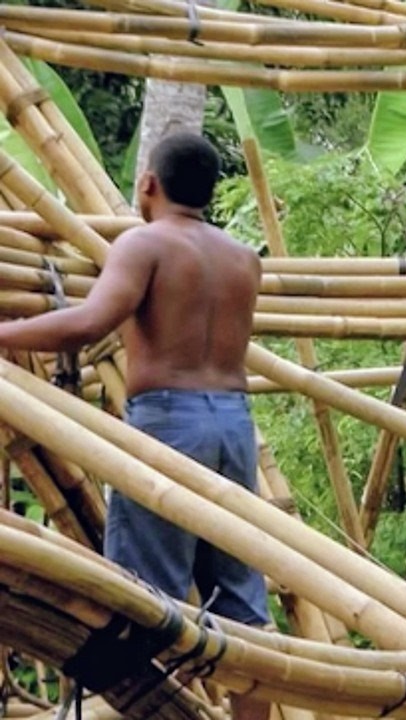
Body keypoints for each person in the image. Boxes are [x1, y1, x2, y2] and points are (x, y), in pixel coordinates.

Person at [0, 133, 270, 720]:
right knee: (244, 605)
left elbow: (90, 322)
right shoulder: (242, 258)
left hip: (169, 425)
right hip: (233, 424)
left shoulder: (144, 244)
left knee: (146, 601)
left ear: (148, 183)